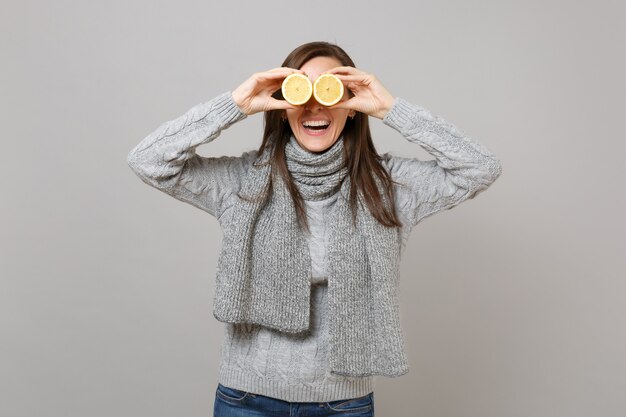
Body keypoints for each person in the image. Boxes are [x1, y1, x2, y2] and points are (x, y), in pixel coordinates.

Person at [127, 41, 502, 417]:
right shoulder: (242, 181)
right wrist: (236, 104)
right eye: (302, 89)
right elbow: (148, 160)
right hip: (246, 398)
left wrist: (391, 108)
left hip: (344, 403)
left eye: (329, 89)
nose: (314, 105)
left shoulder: (390, 186)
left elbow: (480, 167)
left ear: (352, 107)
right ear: (283, 107)